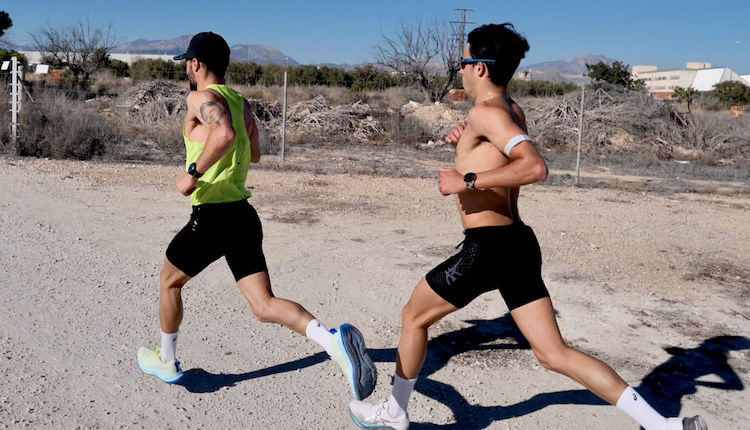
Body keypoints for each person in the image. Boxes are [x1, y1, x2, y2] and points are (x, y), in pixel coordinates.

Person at [348, 24, 707, 430]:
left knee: (413, 317)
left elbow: (534, 167)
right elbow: (502, 154)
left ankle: (394, 413)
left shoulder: (487, 112)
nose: (460, 70)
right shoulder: (510, 109)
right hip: (518, 243)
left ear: (481, 68)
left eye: (464, 62)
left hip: (488, 247)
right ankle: (663, 426)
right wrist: (466, 145)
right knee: (553, 354)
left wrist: (464, 180)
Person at [136, 32, 376, 402]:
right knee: (264, 306)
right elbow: (256, 152)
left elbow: (225, 134)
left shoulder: (200, 97)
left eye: (188, 62)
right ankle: (333, 344)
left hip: (213, 217)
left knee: (169, 281)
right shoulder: (243, 103)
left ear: (196, 64)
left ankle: (166, 360)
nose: (187, 68)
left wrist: (193, 173)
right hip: (243, 217)